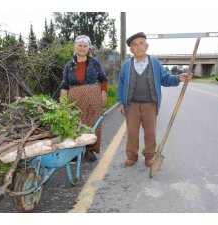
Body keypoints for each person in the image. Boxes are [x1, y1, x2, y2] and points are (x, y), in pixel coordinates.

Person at [117, 32, 192, 167]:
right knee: (132, 133)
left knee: (150, 133)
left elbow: (165, 79)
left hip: (150, 105)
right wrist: (120, 102)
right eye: (135, 45)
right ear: (131, 50)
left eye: (141, 43)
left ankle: (149, 156)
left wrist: (178, 78)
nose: (138, 47)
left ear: (147, 46)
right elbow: (121, 84)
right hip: (132, 105)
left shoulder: (155, 63)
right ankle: (132, 156)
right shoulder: (126, 65)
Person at [60, 35, 108, 162]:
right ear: (75, 47)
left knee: (93, 122)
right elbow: (64, 85)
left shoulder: (94, 62)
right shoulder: (68, 65)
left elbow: (103, 79)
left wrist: (103, 94)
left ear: (88, 48)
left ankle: (90, 150)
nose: (82, 48)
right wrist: (62, 101)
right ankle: (75, 151)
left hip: (93, 96)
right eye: (79, 45)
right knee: (75, 122)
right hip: (75, 97)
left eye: (84, 46)